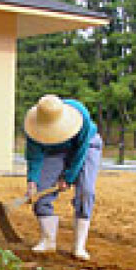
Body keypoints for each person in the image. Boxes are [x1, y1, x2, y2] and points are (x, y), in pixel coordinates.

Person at [24, 94, 103, 260]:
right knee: (41, 190)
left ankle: (79, 245)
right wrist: (32, 182)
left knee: (86, 191)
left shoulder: (80, 115)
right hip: (55, 150)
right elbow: (35, 157)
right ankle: (48, 240)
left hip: (87, 147)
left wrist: (68, 177)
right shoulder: (33, 125)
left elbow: (81, 152)